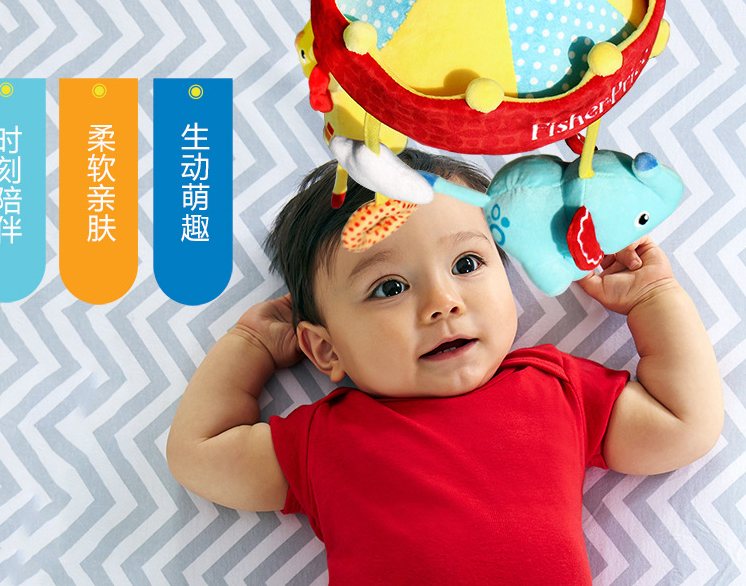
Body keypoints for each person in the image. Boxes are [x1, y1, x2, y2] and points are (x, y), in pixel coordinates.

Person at [166, 149, 723, 585]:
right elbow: (199, 455)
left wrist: (654, 298)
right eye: (389, 288)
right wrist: (250, 345)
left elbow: (683, 425)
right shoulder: (326, 441)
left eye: (467, 263)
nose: (442, 302)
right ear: (327, 350)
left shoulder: (553, 388)